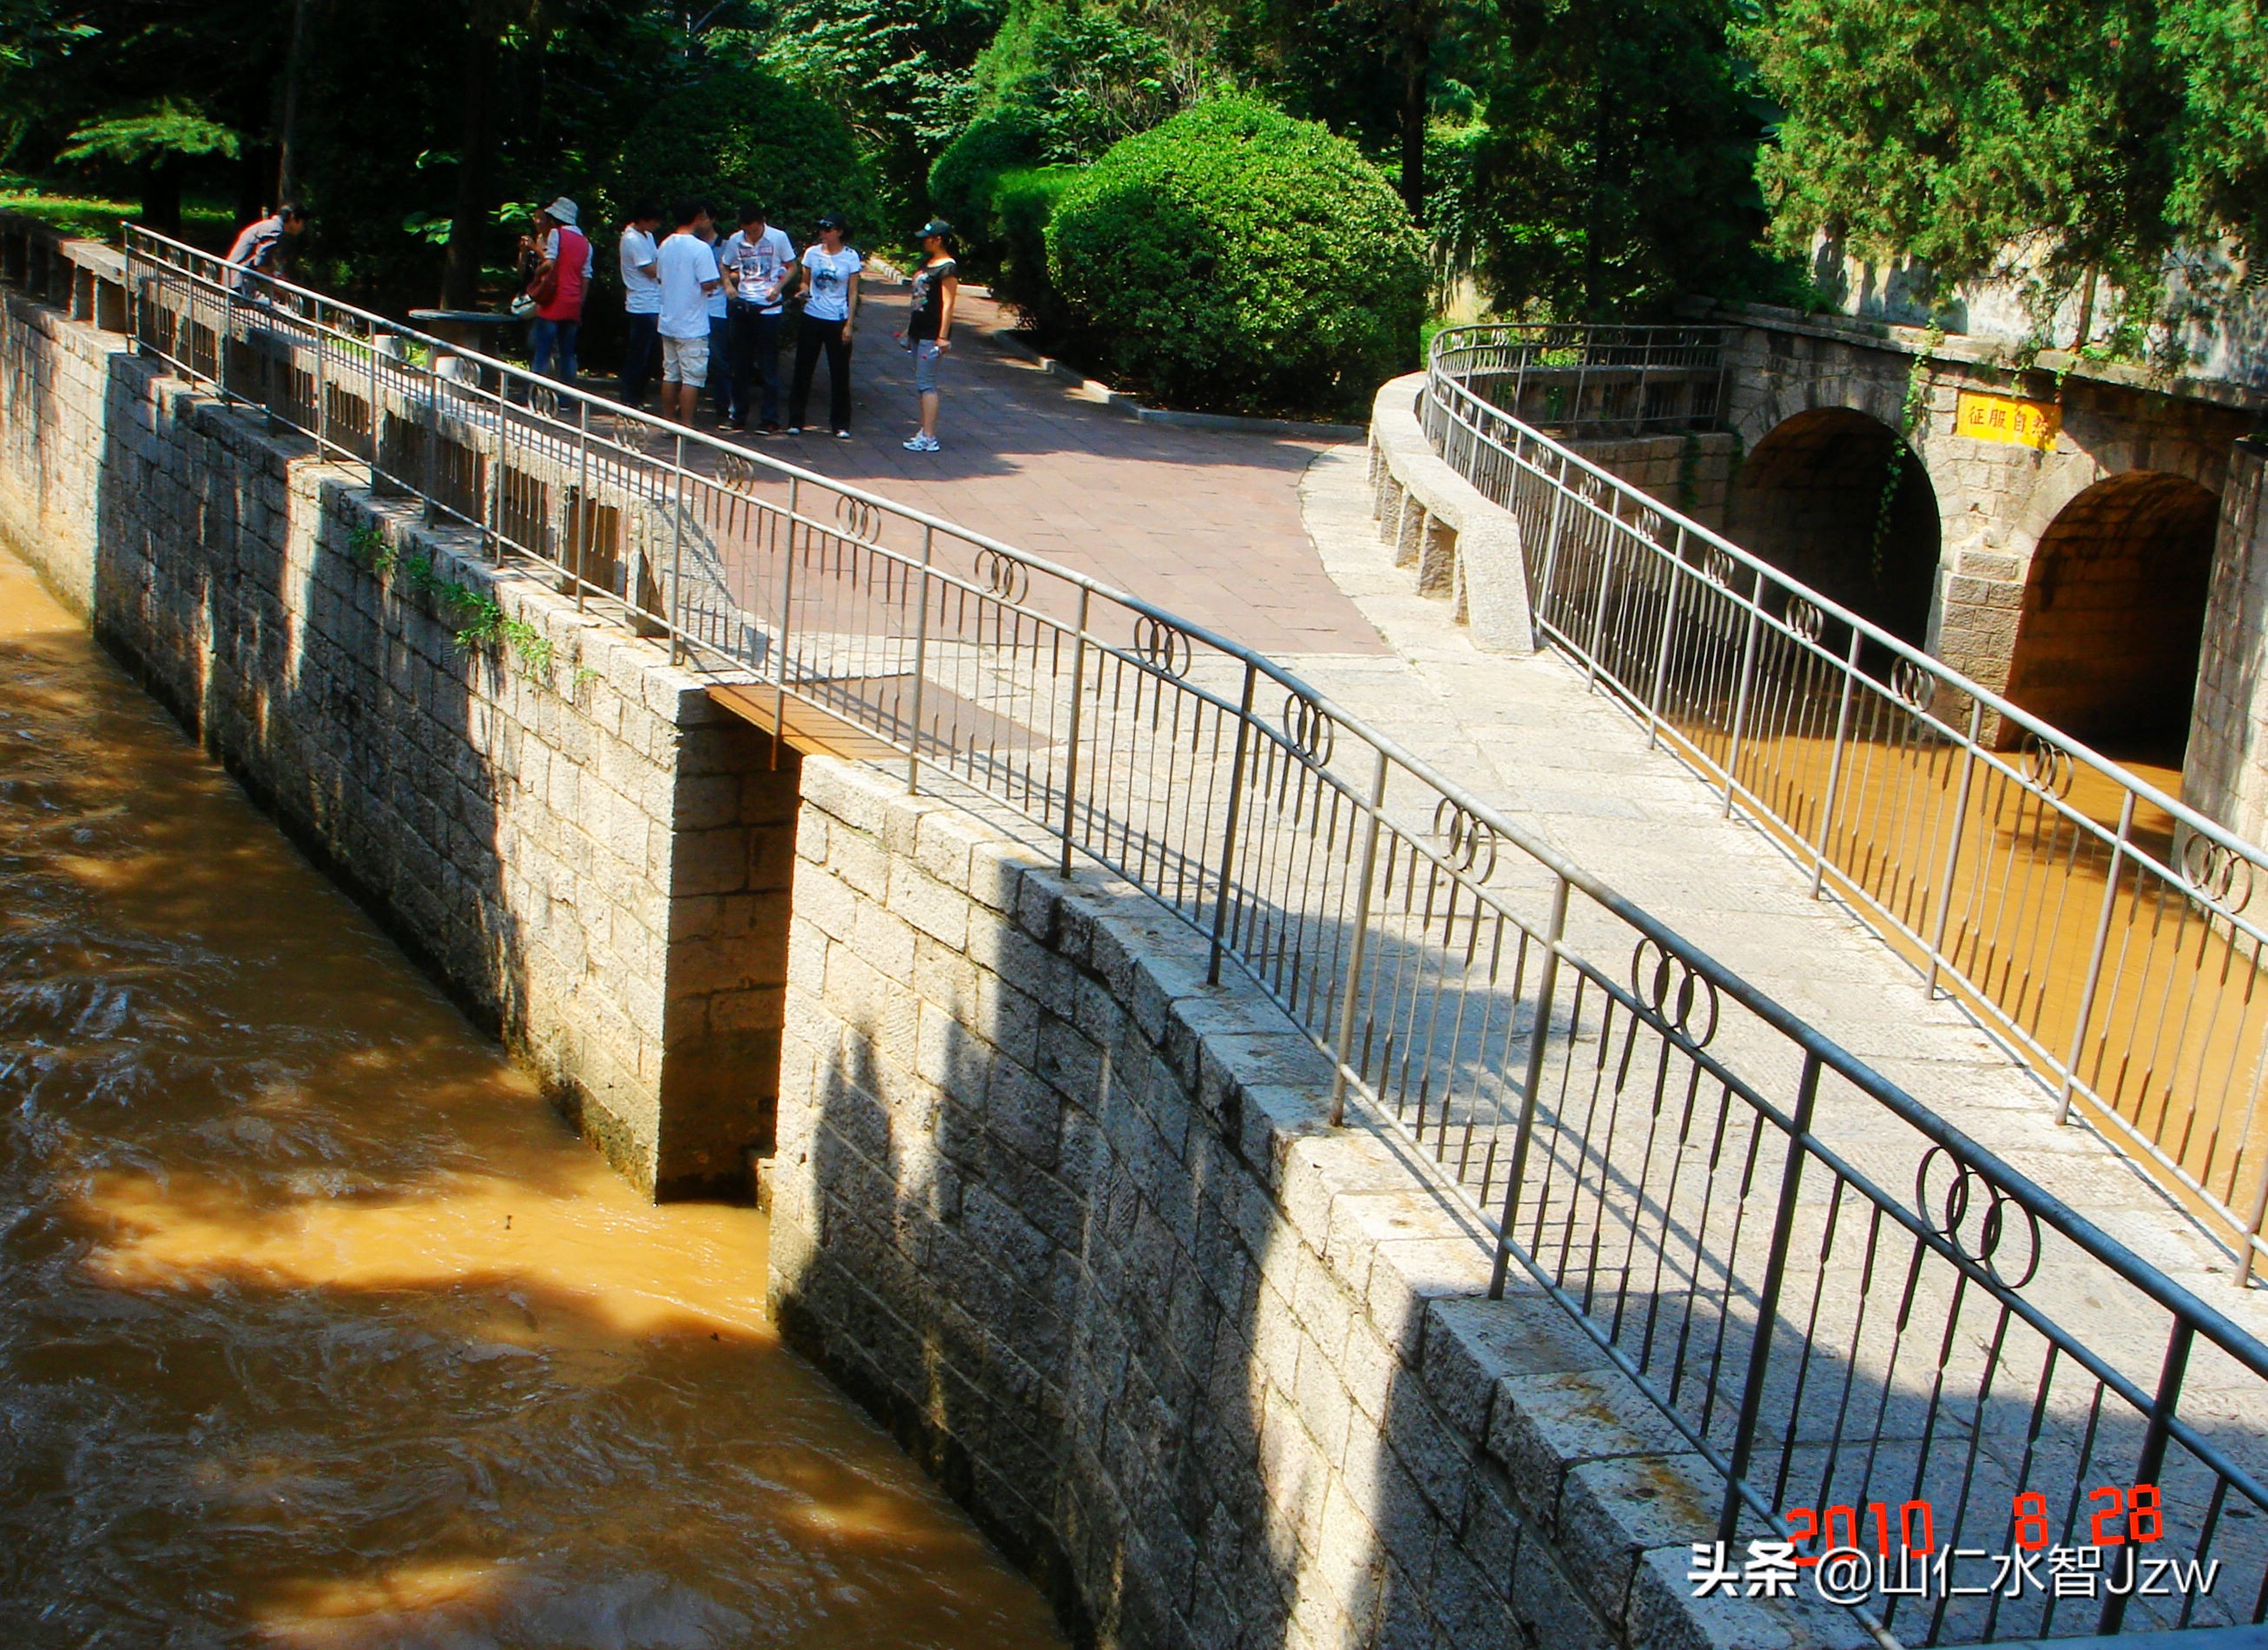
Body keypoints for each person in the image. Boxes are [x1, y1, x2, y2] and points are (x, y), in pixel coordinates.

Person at [719, 204, 795, 433]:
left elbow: (792, 266)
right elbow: (724, 265)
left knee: (767, 365)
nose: (750, 235)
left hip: (768, 309)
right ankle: (737, 415)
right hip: (744, 305)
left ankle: (769, 418)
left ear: (762, 223)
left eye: (754, 230)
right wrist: (728, 286)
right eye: (746, 231)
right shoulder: (736, 240)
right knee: (739, 365)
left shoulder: (778, 238)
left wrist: (778, 287)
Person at [788, 214, 862, 439]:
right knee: (803, 369)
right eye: (821, 229)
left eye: (828, 229)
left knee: (839, 372)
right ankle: (795, 420)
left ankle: (840, 423)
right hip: (812, 315)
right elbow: (805, 281)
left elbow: (852, 292)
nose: (824, 233)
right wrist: (802, 292)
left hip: (837, 318)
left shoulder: (850, 257)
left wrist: (849, 324)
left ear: (839, 231)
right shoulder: (812, 253)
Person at [654, 199, 722, 424]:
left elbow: (660, 277)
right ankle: (687, 425)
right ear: (697, 217)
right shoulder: (700, 248)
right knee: (692, 378)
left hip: (668, 319)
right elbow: (708, 283)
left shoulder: (665, 244)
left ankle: (668, 421)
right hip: (692, 324)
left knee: (670, 374)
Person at [897, 219, 959, 452]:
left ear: (938, 240)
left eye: (927, 238)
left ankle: (930, 437)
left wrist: (942, 337)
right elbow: (917, 300)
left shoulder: (948, 268)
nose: (923, 242)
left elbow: (948, 304)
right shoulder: (927, 263)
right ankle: (924, 431)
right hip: (917, 330)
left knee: (927, 384)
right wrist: (908, 328)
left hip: (931, 334)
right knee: (921, 384)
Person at [526, 196, 592, 386]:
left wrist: (537, 274)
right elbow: (586, 276)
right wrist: (580, 302)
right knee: (567, 353)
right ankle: (566, 396)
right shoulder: (586, 243)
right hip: (573, 303)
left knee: (542, 351)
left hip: (553, 301)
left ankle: (534, 392)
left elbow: (550, 263)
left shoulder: (557, 234)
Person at [616, 199, 663, 409]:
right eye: (654, 221)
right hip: (641, 303)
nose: (656, 225)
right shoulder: (632, 239)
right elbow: (651, 270)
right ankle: (630, 395)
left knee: (650, 352)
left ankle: (639, 392)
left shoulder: (647, 236)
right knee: (639, 353)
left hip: (654, 300)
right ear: (643, 220)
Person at [224, 201, 308, 294]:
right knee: (272, 303)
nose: (303, 228)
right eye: (303, 223)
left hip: (233, 278)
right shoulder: (274, 230)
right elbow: (261, 265)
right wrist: (280, 288)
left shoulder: (267, 226)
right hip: (239, 284)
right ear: (293, 218)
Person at [696, 218, 732, 421]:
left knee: (719, 362)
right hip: (693, 310)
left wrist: (721, 279)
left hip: (718, 310)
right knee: (688, 361)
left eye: (704, 217)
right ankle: (686, 409)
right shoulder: (690, 243)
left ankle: (723, 410)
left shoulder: (726, 245)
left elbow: (739, 273)